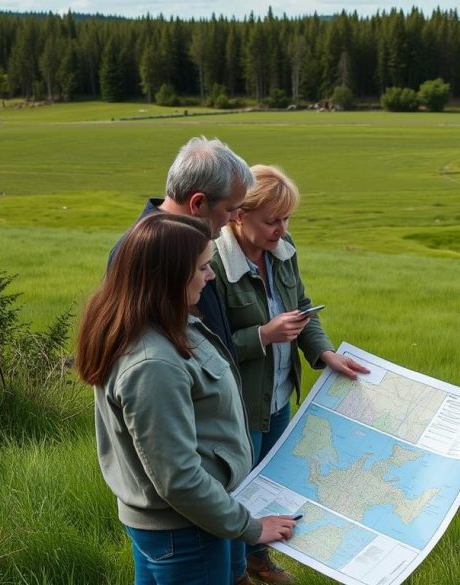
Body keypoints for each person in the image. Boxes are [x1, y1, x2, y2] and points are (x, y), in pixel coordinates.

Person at [77, 213, 297, 584]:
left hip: (193, 521)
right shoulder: (152, 365)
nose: (210, 276)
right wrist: (251, 528)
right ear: (168, 278)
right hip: (186, 531)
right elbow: (178, 478)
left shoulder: (169, 322)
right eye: (201, 267)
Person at [211, 164, 369, 584]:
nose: (281, 229)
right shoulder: (212, 262)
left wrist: (324, 352)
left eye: (286, 219)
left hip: (280, 395)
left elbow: (301, 303)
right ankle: (234, 573)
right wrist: (263, 334)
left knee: (271, 484)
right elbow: (205, 344)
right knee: (235, 491)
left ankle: (259, 560)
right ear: (239, 215)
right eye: (271, 221)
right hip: (240, 405)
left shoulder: (283, 249)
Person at [109, 135, 252, 359]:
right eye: (230, 209)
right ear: (198, 203)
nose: (235, 218)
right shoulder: (144, 252)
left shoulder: (189, 244)